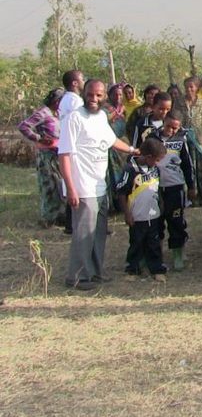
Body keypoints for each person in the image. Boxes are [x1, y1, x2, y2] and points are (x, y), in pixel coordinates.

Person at [59, 79, 139, 290]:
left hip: (99, 185)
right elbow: (64, 155)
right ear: (83, 93)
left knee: (99, 232)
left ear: (104, 96)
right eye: (90, 94)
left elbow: (112, 140)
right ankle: (77, 277)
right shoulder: (73, 118)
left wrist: (132, 150)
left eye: (98, 95)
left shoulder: (102, 116)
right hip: (82, 187)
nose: (94, 99)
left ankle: (94, 272)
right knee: (84, 233)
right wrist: (71, 188)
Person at [117, 137, 168, 282]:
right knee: (136, 242)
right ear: (148, 157)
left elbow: (157, 189)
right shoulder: (130, 170)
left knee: (154, 243)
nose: (159, 163)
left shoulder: (155, 169)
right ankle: (133, 269)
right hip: (137, 215)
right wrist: (127, 214)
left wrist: (161, 204)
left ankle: (157, 269)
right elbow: (121, 193)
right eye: (157, 160)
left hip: (153, 214)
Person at [151, 110, 195, 271]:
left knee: (176, 221)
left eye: (175, 128)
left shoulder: (181, 140)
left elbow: (187, 165)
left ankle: (178, 252)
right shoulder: (152, 138)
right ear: (164, 121)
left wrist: (191, 186)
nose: (172, 130)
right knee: (156, 221)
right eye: (169, 126)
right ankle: (156, 253)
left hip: (175, 187)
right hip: (154, 187)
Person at [18, 88, 66, 227]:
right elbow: (24, 126)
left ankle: (61, 215)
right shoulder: (43, 113)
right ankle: (49, 218)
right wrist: (38, 138)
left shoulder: (58, 113)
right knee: (49, 185)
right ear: (57, 101)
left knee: (60, 185)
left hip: (58, 153)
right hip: (47, 155)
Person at [183, 77, 202, 207]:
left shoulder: (201, 101)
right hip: (184, 138)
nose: (189, 89)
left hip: (200, 138)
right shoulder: (180, 102)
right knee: (190, 168)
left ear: (196, 87)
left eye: (192, 87)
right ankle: (192, 199)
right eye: (187, 87)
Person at [104, 83, 129, 204]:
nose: (118, 97)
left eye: (120, 94)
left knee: (124, 172)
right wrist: (114, 114)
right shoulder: (104, 109)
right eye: (115, 94)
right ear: (109, 95)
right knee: (114, 174)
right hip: (111, 144)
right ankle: (115, 201)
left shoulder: (124, 108)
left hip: (123, 143)